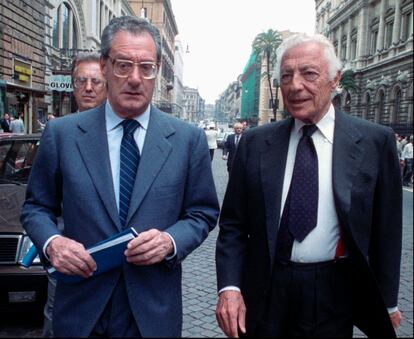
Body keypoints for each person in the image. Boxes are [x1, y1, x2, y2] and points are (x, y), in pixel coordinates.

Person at [21, 16, 219, 338]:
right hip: (80, 309)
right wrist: (52, 242)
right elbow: (35, 207)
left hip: (152, 311)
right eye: (123, 65)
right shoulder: (62, 134)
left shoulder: (187, 140)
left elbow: (202, 213)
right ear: (104, 65)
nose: (135, 78)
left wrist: (170, 241)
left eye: (147, 67)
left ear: (157, 71)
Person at [215, 33, 402, 338]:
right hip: (265, 286)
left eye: (309, 73)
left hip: (333, 290)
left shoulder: (374, 142)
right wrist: (230, 288)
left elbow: (387, 230)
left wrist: (388, 301)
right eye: (286, 75)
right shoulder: (255, 142)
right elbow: (233, 225)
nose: (295, 85)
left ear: (334, 79)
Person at [41, 52, 108, 338]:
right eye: (82, 81)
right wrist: (53, 241)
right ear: (72, 85)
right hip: (68, 264)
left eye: (96, 81)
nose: (89, 87)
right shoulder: (58, 133)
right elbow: (40, 202)